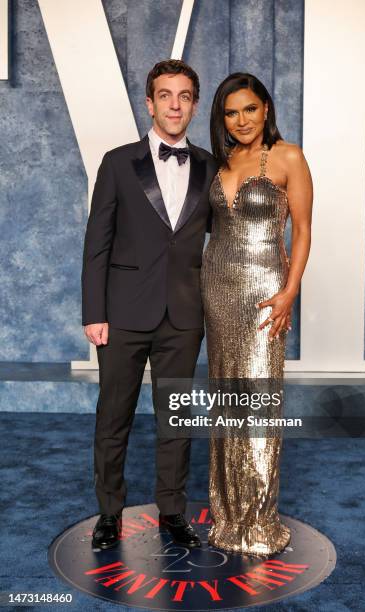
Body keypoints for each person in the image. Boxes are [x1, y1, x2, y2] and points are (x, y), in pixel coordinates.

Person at [82, 59, 217, 550]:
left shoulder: (211, 166)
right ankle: (109, 513)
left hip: (184, 316)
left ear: (195, 104)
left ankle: (173, 512)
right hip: (121, 314)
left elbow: (220, 244)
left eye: (184, 96)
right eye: (165, 95)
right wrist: (94, 312)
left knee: (174, 420)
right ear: (150, 102)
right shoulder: (119, 162)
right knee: (113, 415)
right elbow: (97, 242)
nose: (175, 104)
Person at [201, 73, 313, 555]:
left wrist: (290, 292)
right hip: (217, 286)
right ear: (222, 119)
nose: (241, 120)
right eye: (231, 112)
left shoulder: (289, 156)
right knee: (226, 393)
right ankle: (227, 514)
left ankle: (258, 519)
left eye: (250, 108)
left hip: (266, 289)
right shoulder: (221, 162)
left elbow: (303, 231)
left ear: (266, 109)